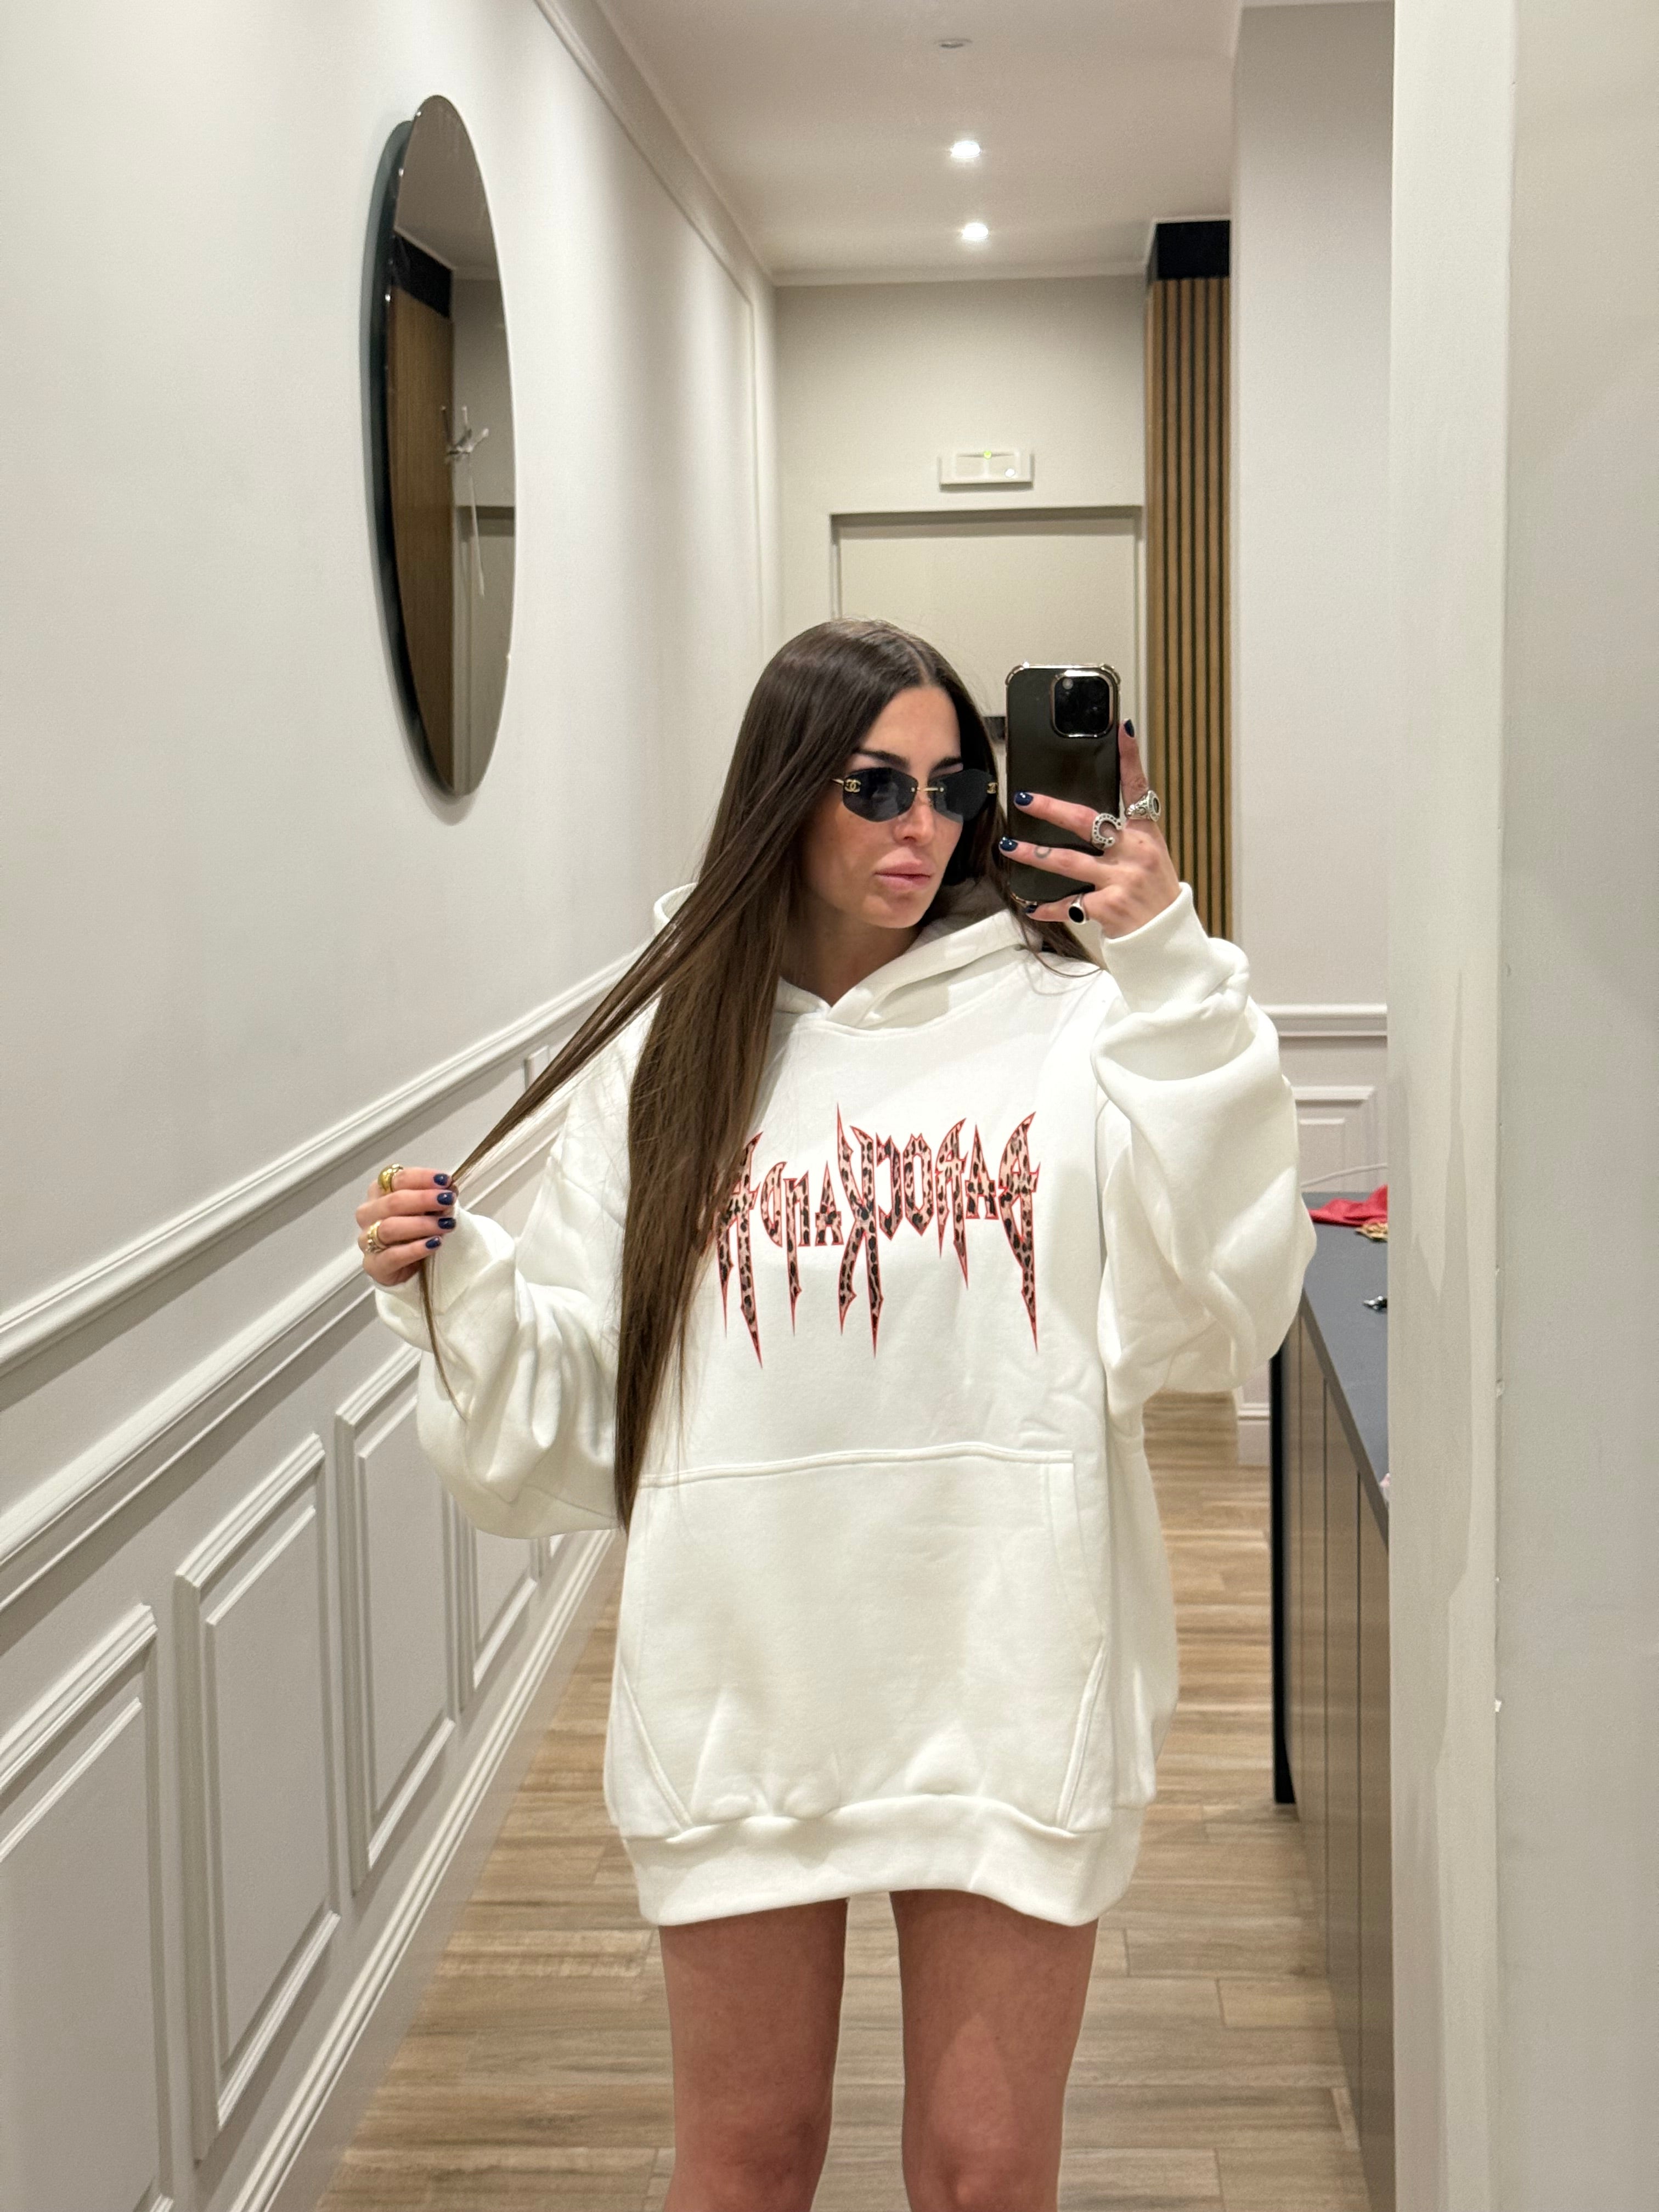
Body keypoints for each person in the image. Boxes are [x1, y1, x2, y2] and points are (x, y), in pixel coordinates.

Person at [355, 619, 1314, 2212]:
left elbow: (1224, 1298)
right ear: (785, 794)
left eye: (953, 786)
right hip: (743, 1674)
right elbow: (584, 1408)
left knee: (985, 2173)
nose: (921, 826)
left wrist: (1167, 963)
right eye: (874, 787)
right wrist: (452, 1282)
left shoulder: (1072, 1019)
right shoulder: (672, 1048)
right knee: (745, 2165)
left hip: (1011, 1662)